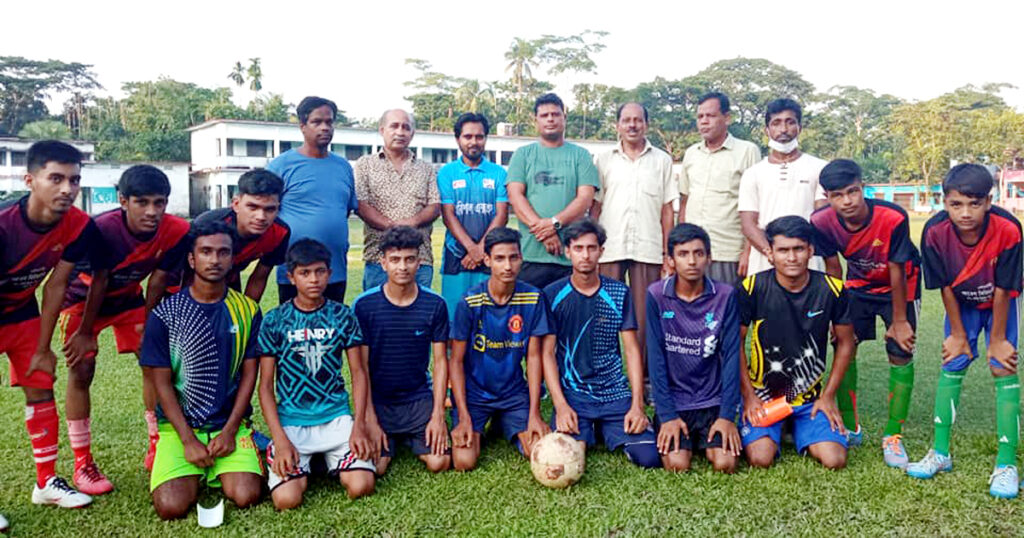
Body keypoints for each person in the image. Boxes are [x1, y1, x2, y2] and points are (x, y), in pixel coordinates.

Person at [59, 164, 191, 489]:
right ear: (123, 201)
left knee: (154, 365)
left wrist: (151, 324)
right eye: (142, 202)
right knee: (81, 371)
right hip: (82, 301)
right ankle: (82, 463)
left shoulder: (176, 230)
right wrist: (85, 332)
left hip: (128, 299)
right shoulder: (100, 229)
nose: (152, 211)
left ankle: (158, 445)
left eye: (159, 203)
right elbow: (99, 280)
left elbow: (158, 279)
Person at [906, 164, 1023, 499]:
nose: (965, 213)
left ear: (989, 201)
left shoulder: (1009, 228)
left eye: (974, 203)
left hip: (1000, 301)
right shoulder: (934, 231)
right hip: (961, 303)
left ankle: (1006, 464)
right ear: (944, 202)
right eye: (956, 204)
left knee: (1003, 367)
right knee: (953, 362)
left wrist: (997, 340)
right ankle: (940, 452)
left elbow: (1005, 287)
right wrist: (957, 334)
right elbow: (944, 285)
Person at [0, 140, 105, 508]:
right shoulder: (4, 225)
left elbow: (56, 285)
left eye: (74, 180)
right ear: (30, 180)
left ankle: (46, 484)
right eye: (56, 178)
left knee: (40, 385)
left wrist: (43, 349)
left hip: (21, 311)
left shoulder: (79, 225)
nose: (67, 189)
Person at [140, 220, 263, 520]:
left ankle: (242, 448)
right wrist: (187, 440)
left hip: (228, 425)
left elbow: (250, 375)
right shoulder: (166, 313)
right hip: (178, 429)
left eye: (223, 252)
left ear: (233, 260)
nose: (214, 259)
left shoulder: (247, 310)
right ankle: (189, 462)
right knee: (171, 507)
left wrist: (230, 431)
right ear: (192, 259)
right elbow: (161, 383)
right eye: (206, 252)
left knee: (246, 495)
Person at [810, 159, 921, 466]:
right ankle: (849, 426)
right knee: (844, 343)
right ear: (827, 197)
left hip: (901, 285)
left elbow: (897, 267)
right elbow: (833, 267)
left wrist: (900, 321)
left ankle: (893, 435)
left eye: (852, 191)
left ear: (863, 187)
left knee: (900, 349)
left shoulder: (893, 216)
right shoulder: (820, 221)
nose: (846, 201)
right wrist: (833, 313)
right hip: (858, 285)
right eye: (837, 195)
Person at [257, 239, 375, 510]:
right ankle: (314, 461)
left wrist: (359, 425)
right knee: (287, 500)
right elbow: (265, 387)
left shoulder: (343, 315)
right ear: (291, 277)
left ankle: (326, 459)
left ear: (329, 273)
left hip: (336, 419)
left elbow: (358, 373)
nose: (313, 279)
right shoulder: (275, 320)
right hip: (292, 423)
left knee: (361, 486)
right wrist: (280, 439)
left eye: (320, 271)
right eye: (305, 273)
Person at [738, 216, 854, 470]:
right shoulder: (752, 287)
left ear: (810, 251)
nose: (791, 258)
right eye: (783, 250)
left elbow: (846, 343)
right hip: (764, 396)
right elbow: (736, 343)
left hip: (810, 398)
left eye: (798, 249)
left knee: (834, 460)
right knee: (760, 458)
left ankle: (796, 422)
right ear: (770, 253)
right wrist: (749, 397)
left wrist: (828, 396)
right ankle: (780, 423)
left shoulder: (832, 289)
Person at [542, 219, 660, 468]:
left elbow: (631, 350)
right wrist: (560, 406)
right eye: (578, 248)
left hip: (613, 393)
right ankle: (592, 430)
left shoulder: (619, 293)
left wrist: (637, 405)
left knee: (649, 457)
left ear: (601, 251)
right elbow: (547, 354)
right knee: (567, 458)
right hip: (574, 395)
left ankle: (604, 428)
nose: (585, 255)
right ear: (567, 252)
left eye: (591, 248)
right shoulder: (552, 294)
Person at [448, 227, 552, 470]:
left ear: (521, 258)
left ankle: (505, 420)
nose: (507, 266)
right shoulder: (470, 301)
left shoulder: (533, 298)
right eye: (499, 258)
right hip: (476, 394)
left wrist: (534, 413)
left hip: (513, 394)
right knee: (464, 461)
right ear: (487, 260)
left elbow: (534, 358)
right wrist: (463, 415)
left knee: (537, 451)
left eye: (513, 258)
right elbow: (456, 361)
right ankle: (489, 422)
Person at [353, 226, 451, 474]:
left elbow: (441, 362)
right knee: (377, 468)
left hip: (417, 398)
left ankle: (410, 435)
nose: (403, 267)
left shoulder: (435, 304)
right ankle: (395, 437)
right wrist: (369, 418)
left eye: (409, 259)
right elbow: (360, 369)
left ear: (419, 262)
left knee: (439, 462)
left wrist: (438, 415)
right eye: (395, 259)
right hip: (379, 400)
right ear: (383, 263)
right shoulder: (364, 306)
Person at [646, 223, 741, 473]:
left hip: (713, 401)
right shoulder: (656, 295)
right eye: (683, 254)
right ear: (670, 260)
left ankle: (708, 437)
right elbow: (656, 359)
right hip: (676, 402)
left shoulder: (725, 295)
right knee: (677, 465)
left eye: (698, 253)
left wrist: (726, 416)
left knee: (725, 463)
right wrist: (667, 416)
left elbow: (732, 356)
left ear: (709, 258)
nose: (691, 261)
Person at [592, 102, 676, 364]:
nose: (632, 125)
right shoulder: (603, 160)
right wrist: (593, 248)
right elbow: (596, 206)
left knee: (644, 316)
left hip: (648, 249)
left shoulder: (662, 160)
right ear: (617, 125)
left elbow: (667, 210)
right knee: (606, 314)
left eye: (638, 120)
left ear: (646, 124)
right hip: (610, 248)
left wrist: (667, 253)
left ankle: (644, 375)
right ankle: (607, 371)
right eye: (626, 120)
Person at [269, 96, 359, 304]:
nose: (325, 127)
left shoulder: (343, 166)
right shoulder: (281, 166)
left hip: (334, 270)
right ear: (302, 126)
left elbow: (344, 210)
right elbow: (267, 211)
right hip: (295, 272)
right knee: (294, 323)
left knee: (333, 322)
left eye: (329, 122)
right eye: (317, 122)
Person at [506, 93, 599, 289]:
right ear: (536, 120)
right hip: (531, 256)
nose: (550, 119)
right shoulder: (523, 155)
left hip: (570, 256)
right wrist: (546, 233)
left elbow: (585, 198)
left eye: (556, 114)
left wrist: (554, 223)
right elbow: (515, 196)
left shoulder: (581, 156)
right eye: (544, 115)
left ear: (564, 118)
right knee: (530, 308)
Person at [678, 92, 761, 285]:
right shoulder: (691, 153)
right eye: (700, 117)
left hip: (728, 252)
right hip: (693, 254)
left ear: (727, 118)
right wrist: (680, 245)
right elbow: (684, 202)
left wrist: (748, 252)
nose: (704, 122)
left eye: (711, 116)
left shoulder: (747, 151)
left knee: (726, 303)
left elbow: (756, 206)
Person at [739, 98, 828, 274]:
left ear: (800, 127)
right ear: (767, 130)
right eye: (776, 123)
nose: (783, 129)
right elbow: (748, 223)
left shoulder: (820, 168)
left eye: (790, 122)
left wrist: (800, 252)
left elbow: (822, 217)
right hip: (765, 262)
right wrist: (771, 253)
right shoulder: (753, 173)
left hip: (808, 261)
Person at [354, 109, 440, 290]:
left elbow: (434, 206)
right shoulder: (365, 165)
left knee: (420, 308)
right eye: (394, 126)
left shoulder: (426, 168)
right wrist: (392, 227)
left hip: (419, 259)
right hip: (378, 258)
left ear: (412, 134)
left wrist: (411, 223)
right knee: (376, 308)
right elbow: (361, 204)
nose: (400, 132)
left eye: (406, 127)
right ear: (382, 130)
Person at [437, 112, 509, 319]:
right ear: (458, 139)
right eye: (468, 136)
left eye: (479, 137)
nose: (474, 142)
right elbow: (448, 215)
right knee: (455, 316)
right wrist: (471, 248)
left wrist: (480, 249)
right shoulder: (447, 172)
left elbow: (502, 215)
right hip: (456, 255)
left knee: (488, 317)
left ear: (486, 138)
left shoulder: (499, 173)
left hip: (489, 255)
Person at [191, 168, 290, 301]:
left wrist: (247, 310)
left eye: (270, 209)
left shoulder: (279, 233)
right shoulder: (207, 225)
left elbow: (259, 278)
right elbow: (184, 271)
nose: (261, 217)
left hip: (230, 279)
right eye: (252, 207)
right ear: (236, 204)